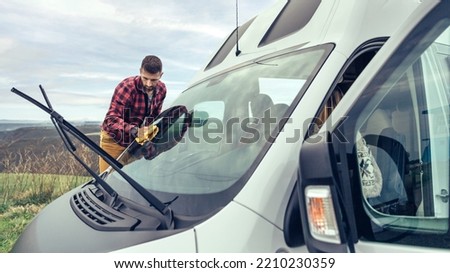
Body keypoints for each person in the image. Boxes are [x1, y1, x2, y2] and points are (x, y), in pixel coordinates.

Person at [99, 55, 167, 172]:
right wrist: (135, 130)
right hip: (114, 140)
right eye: (145, 78)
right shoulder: (127, 87)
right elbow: (111, 120)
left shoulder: (162, 90)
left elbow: (154, 118)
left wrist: (150, 137)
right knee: (108, 181)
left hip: (134, 142)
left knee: (130, 181)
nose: (149, 84)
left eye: (154, 80)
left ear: (161, 75)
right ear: (140, 71)